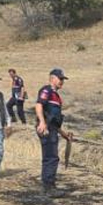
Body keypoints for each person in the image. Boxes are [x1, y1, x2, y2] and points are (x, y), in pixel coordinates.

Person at [34, 68, 74, 196]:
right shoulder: (47, 91)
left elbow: (55, 121)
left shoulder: (56, 96)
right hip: (46, 129)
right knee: (51, 158)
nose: (62, 81)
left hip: (52, 129)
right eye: (60, 78)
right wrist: (42, 122)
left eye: (63, 79)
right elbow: (39, 105)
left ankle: (49, 186)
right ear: (52, 78)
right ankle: (48, 188)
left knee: (51, 157)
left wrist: (63, 134)